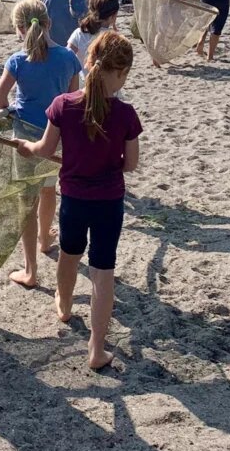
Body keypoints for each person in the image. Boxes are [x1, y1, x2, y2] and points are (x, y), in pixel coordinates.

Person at [15, 31, 141, 369]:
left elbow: (44, 150)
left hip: (73, 198)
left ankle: (65, 305)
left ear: (88, 64)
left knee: (69, 255)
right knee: (103, 271)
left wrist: (25, 148)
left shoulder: (63, 105)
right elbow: (130, 164)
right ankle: (96, 350)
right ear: (121, 73)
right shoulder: (126, 114)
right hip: (109, 201)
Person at [0, 0, 81, 288]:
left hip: (25, 138)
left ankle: (31, 270)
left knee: (26, 201)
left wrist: (13, 107)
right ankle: (45, 239)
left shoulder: (18, 61)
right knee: (48, 189)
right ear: (49, 23)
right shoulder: (69, 58)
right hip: (55, 137)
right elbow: (72, 100)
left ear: (20, 29)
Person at [67, 0, 121, 76]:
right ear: (112, 16)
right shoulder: (114, 38)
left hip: (82, 84)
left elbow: (67, 57)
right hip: (106, 85)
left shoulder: (79, 33)